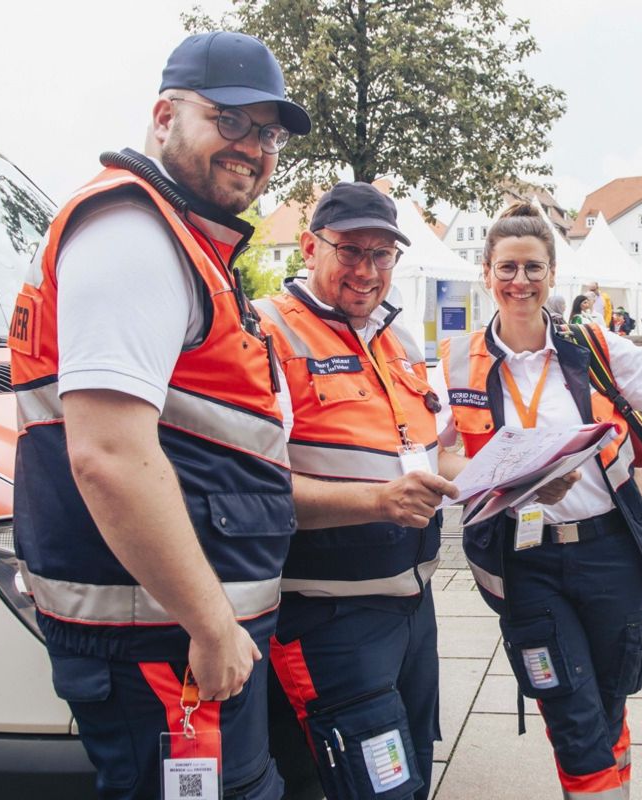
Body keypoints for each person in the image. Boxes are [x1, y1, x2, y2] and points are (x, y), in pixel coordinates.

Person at [8, 32, 311, 799]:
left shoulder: (179, 239)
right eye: (232, 120)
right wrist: (212, 625)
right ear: (164, 114)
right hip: (165, 640)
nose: (254, 148)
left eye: (269, 134)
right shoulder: (134, 233)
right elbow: (107, 456)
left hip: (180, 633)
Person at [435, 203, 642, 800]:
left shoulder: (592, 348)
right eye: (506, 268)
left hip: (609, 552)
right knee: (570, 710)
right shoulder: (456, 362)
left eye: (532, 268)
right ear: (486, 272)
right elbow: (432, 453)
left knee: (609, 694)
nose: (519, 281)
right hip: (525, 561)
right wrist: (489, 474)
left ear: (552, 275)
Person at [256, 182, 462, 800]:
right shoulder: (268, 334)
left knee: (414, 774)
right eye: (350, 251)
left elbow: (436, 451)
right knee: (371, 785)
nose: (367, 271)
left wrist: (507, 478)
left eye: (382, 255)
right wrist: (378, 503)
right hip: (328, 615)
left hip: (411, 607)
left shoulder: (395, 338)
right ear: (308, 246)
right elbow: (251, 487)